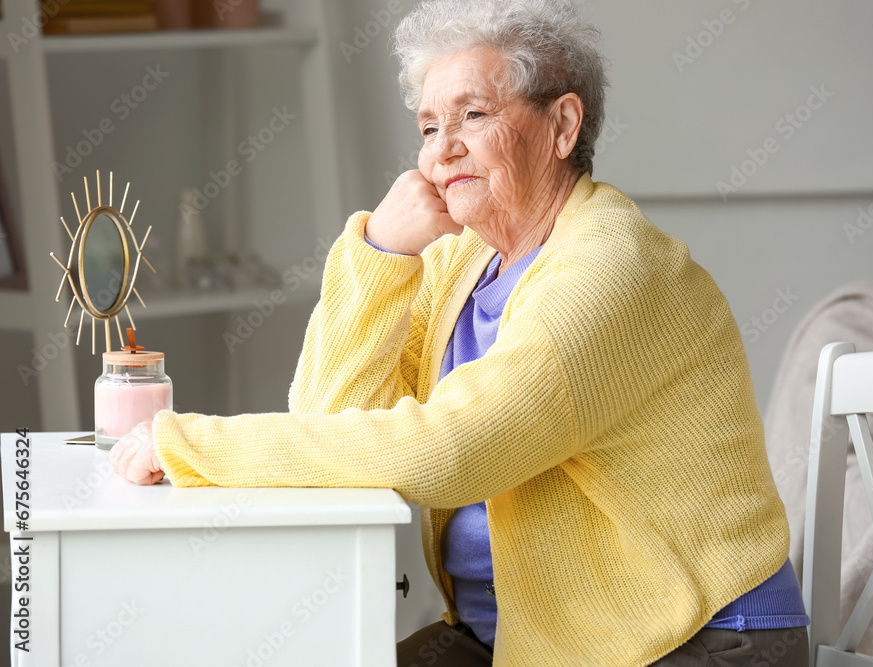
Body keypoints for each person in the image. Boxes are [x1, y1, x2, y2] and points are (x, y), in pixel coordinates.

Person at [111, 1, 809, 664]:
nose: (443, 152)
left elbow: (452, 451)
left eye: (473, 115)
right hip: (515, 637)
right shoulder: (461, 256)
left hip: (697, 639)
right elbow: (327, 416)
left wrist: (190, 442)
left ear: (564, 126)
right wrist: (380, 251)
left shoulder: (609, 268)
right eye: (427, 128)